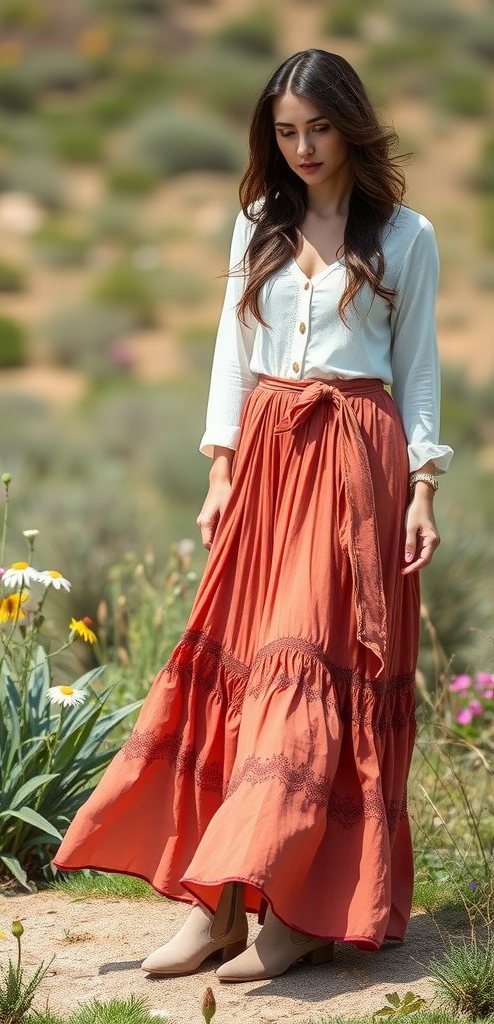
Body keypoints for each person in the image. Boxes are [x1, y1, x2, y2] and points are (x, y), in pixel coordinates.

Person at [51, 48, 453, 984]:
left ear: (351, 125)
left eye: (318, 128)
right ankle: (221, 905)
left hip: (357, 461)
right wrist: (219, 470)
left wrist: (424, 487)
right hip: (267, 458)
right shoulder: (255, 226)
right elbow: (231, 356)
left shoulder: (407, 235)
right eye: (285, 131)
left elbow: (421, 367)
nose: (304, 148)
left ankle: (303, 909)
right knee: (239, 667)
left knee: (308, 664)